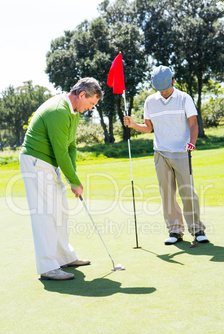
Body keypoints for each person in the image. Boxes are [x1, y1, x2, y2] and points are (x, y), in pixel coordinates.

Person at [20, 77, 104, 280]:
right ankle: (48, 267)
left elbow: (71, 146)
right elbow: (60, 151)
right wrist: (74, 182)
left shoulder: (73, 113)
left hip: (50, 164)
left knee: (60, 211)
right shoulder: (59, 110)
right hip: (36, 161)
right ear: (82, 94)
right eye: (92, 103)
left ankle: (64, 257)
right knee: (46, 214)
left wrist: (72, 177)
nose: (91, 108)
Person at [124, 66, 209, 245]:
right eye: (160, 89)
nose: (163, 93)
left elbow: (193, 124)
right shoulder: (150, 102)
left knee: (187, 191)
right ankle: (175, 231)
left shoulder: (184, 98)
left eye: (166, 88)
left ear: (173, 81)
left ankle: (197, 229)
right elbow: (148, 128)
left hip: (182, 152)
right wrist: (133, 125)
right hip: (160, 152)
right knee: (167, 193)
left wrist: (192, 142)